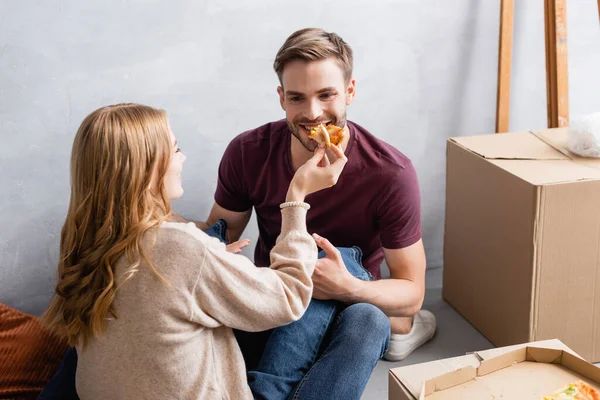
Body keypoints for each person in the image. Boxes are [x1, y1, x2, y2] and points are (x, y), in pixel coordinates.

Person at [40, 103, 348, 399]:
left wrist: (208, 262)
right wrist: (296, 195)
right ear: (145, 171)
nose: (183, 158)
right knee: (364, 316)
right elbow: (288, 298)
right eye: (174, 149)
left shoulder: (83, 246)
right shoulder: (178, 247)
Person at [200, 27, 437, 398]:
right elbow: (219, 236)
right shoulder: (248, 152)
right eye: (297, 98)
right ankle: (401, 331)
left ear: (350, 92)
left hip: (354, 300)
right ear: (281, 98)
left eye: (326, 95)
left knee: (368, 317)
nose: (313, 114)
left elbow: (412, 292)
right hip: (275, 296)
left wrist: (350, 286)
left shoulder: (391, 172)